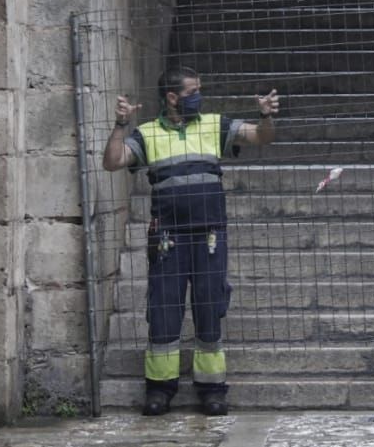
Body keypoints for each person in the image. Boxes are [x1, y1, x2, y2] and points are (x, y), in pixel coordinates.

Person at [103, 67, 278, 417]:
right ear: (172, 97)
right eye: (193, 91)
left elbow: (261, 137)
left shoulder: (215, 125)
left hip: (210, 236)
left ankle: (212, 389)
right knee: (164, 311)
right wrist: (121, 125)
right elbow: (113, 161)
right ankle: (159, 389)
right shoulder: (147, 132)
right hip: (167, 238)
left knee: (209, 308)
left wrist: (266, 115)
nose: (199, 95)